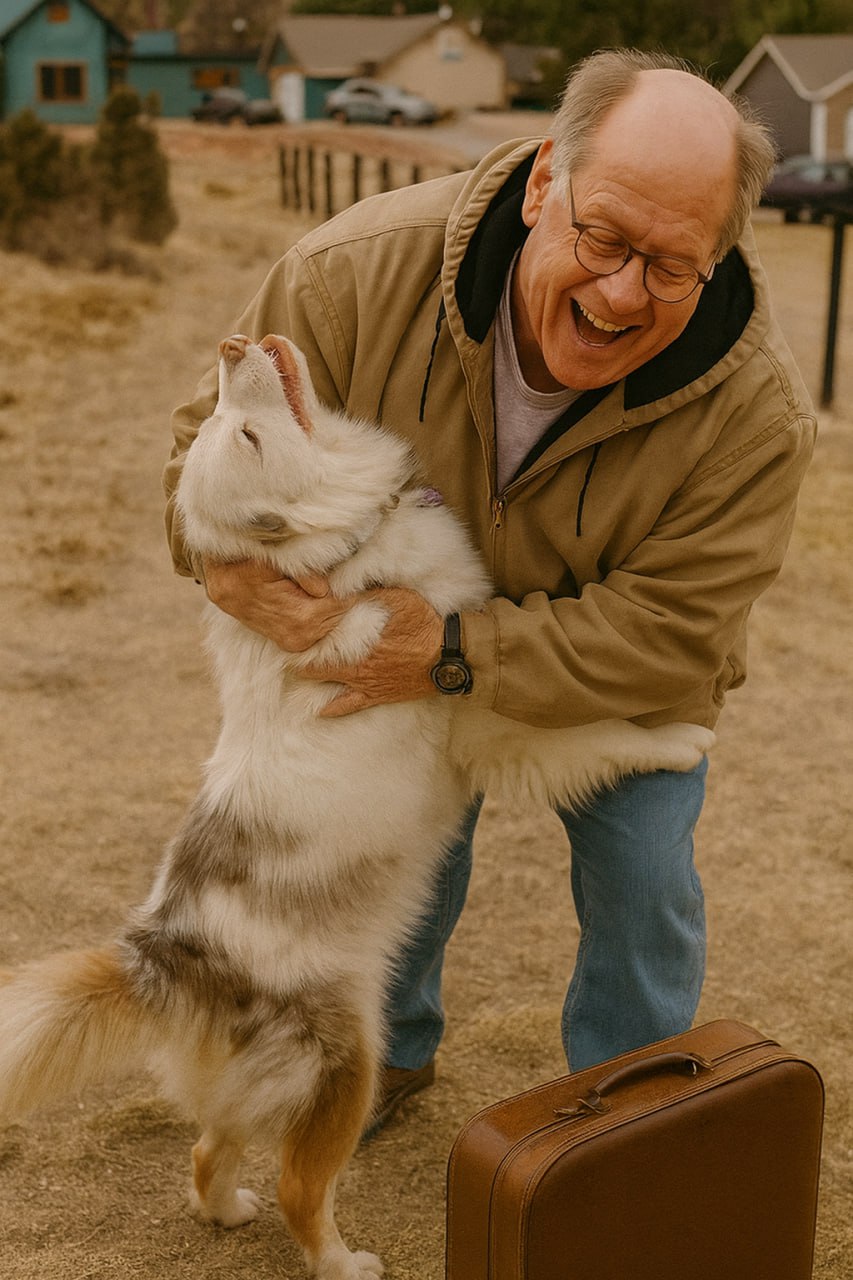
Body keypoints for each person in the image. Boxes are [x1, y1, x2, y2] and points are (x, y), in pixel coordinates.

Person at [165, 49, 816, 1132]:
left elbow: (671, 633)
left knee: (644, 875)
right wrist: (226, 566)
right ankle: (390, 1054)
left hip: (600, 677)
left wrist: (453, 645)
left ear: (721, 254)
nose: (619, 292)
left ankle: (624, 1110)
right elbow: (204, 448)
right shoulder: (349, 275)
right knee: (396, 843)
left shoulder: (756, 415)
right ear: (541, 184)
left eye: (668, 265)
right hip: (393, 648)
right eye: (603, 236)